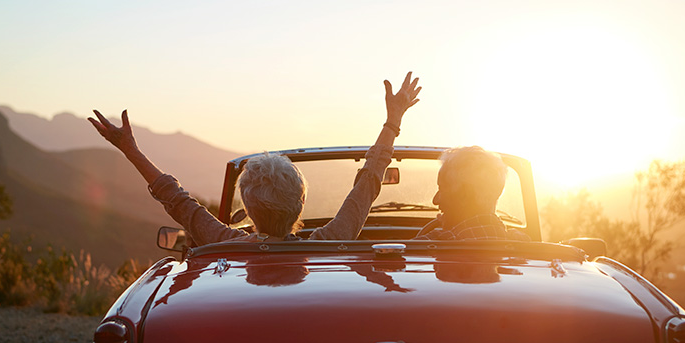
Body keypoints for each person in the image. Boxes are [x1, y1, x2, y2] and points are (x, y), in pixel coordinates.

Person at [87, 72, 421, 245]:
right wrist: (393, 121)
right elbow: (367, 184)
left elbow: (175, 199)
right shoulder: (329, 243)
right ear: (301, 203)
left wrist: (130, 150)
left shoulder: (226, 243)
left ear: (247, 209)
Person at [414, 146, 529, 241]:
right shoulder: (522, 244)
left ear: (464, 195)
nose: (435, 200)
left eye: (442, 189)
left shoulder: (432, 243)